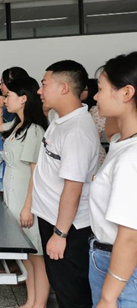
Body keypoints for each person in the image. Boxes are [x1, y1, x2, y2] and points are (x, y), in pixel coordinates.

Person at [32, 60, 100, 308]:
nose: (39, 90)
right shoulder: (61, 119)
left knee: (71, 293)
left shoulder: (77, 131)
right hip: (52, 218)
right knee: (62, 287)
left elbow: (73, 187)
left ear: (63, 88)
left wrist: (60, 234)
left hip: (68, 227)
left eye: (44, 84)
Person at [0, 77, 50, 308]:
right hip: (13, 195)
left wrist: (28, 207)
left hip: (27, 199)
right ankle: (31, 300)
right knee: (25, 253)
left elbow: (35, 174)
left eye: (9, 96)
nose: (5, 99)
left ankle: (40, 303)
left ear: (23, 99)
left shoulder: (34, 130)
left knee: (37, 256)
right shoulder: (18, 125)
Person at [89, 52, 137, 308]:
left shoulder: (131, 157)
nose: (95, 97)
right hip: (109, 258)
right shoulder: (121, 142)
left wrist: (108, 298)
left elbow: (130, 236)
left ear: (127, 92)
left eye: (100, 89)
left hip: (121, 268)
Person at [0, 67, 29, 191]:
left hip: (8, 161)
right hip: (0, 156)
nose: (0, 86)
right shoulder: (6, 105)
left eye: (2, 82)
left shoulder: (15, 111)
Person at [81, 78, 107, 165]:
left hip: (94, 152)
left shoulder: (95, 110)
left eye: (84, 89)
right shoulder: (85, 107)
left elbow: (98, 135)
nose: (80, 91)